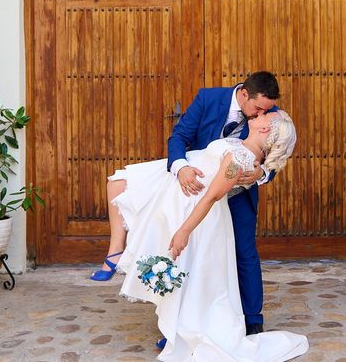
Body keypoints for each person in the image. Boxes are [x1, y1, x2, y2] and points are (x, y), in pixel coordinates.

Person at [103, 110, 306, 361]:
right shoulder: (239, 145)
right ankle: (176, 327)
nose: (261, 113)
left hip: (200, 218)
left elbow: (213, 195)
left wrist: (184, 231)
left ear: (265, 130)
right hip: (184, 203)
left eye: (266, 116)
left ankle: (184, 330)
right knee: (189, 272)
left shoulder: (242, 159)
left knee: (193, 274)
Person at [92, 71, 281, 335]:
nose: (260, 114)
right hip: (195, 188)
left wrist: (261, 174)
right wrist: (180, 168)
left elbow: (277, 154)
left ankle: (251, 319)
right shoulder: (208, 98)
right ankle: (179, 322)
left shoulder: (269, 114)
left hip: (238, 193)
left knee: (244, 252)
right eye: (258, 108)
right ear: (244, 94)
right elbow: (179, 136)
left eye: (266, 110)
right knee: (190, 253)